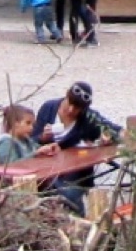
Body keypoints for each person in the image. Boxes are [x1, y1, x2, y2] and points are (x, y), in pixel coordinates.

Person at [40, 81, 119, 213]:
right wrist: (43, 138)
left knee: (69, 193)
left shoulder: (88, 118)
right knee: (50, 187)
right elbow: (31, 139)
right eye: (69, 103)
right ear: (66, 96)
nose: (71, 110)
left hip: (75, 173)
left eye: (77, 108)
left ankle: (78, 217)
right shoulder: (48, 108)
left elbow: (115, 130)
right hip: (47, 169)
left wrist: (107, 137)